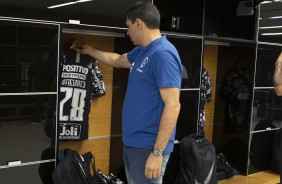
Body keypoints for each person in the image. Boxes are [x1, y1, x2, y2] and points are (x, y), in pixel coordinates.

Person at [72, 1, 182, 183]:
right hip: (133, 145)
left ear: (139, 23)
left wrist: (157, 153)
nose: (127, 32)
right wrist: (89, 50)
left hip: (148, 148)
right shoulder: (142, 52)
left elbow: (173, 105)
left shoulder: (163, 54)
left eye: (129, 27)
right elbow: (116, 60)